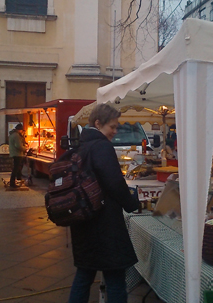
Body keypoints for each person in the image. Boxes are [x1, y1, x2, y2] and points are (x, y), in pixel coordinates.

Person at [68, 104, 140, 303]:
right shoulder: (101, 146)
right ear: (98, 123)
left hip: (84, 221)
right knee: (115, 278)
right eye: (112, 127)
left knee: (84, 275)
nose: (115, 132)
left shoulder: (81, 146)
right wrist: (132, 204)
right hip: (104, 224)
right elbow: (115, 182)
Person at [8, 123, 27, 189]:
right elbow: (18, 145)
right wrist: (25, 149)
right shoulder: (16, 135)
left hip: (14, 153)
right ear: (20, 130)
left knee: (17, 168)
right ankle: (12, 183)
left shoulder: (12, 134)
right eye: (21, 130)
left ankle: (18, 179)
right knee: (16, 169)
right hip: (17, 154)